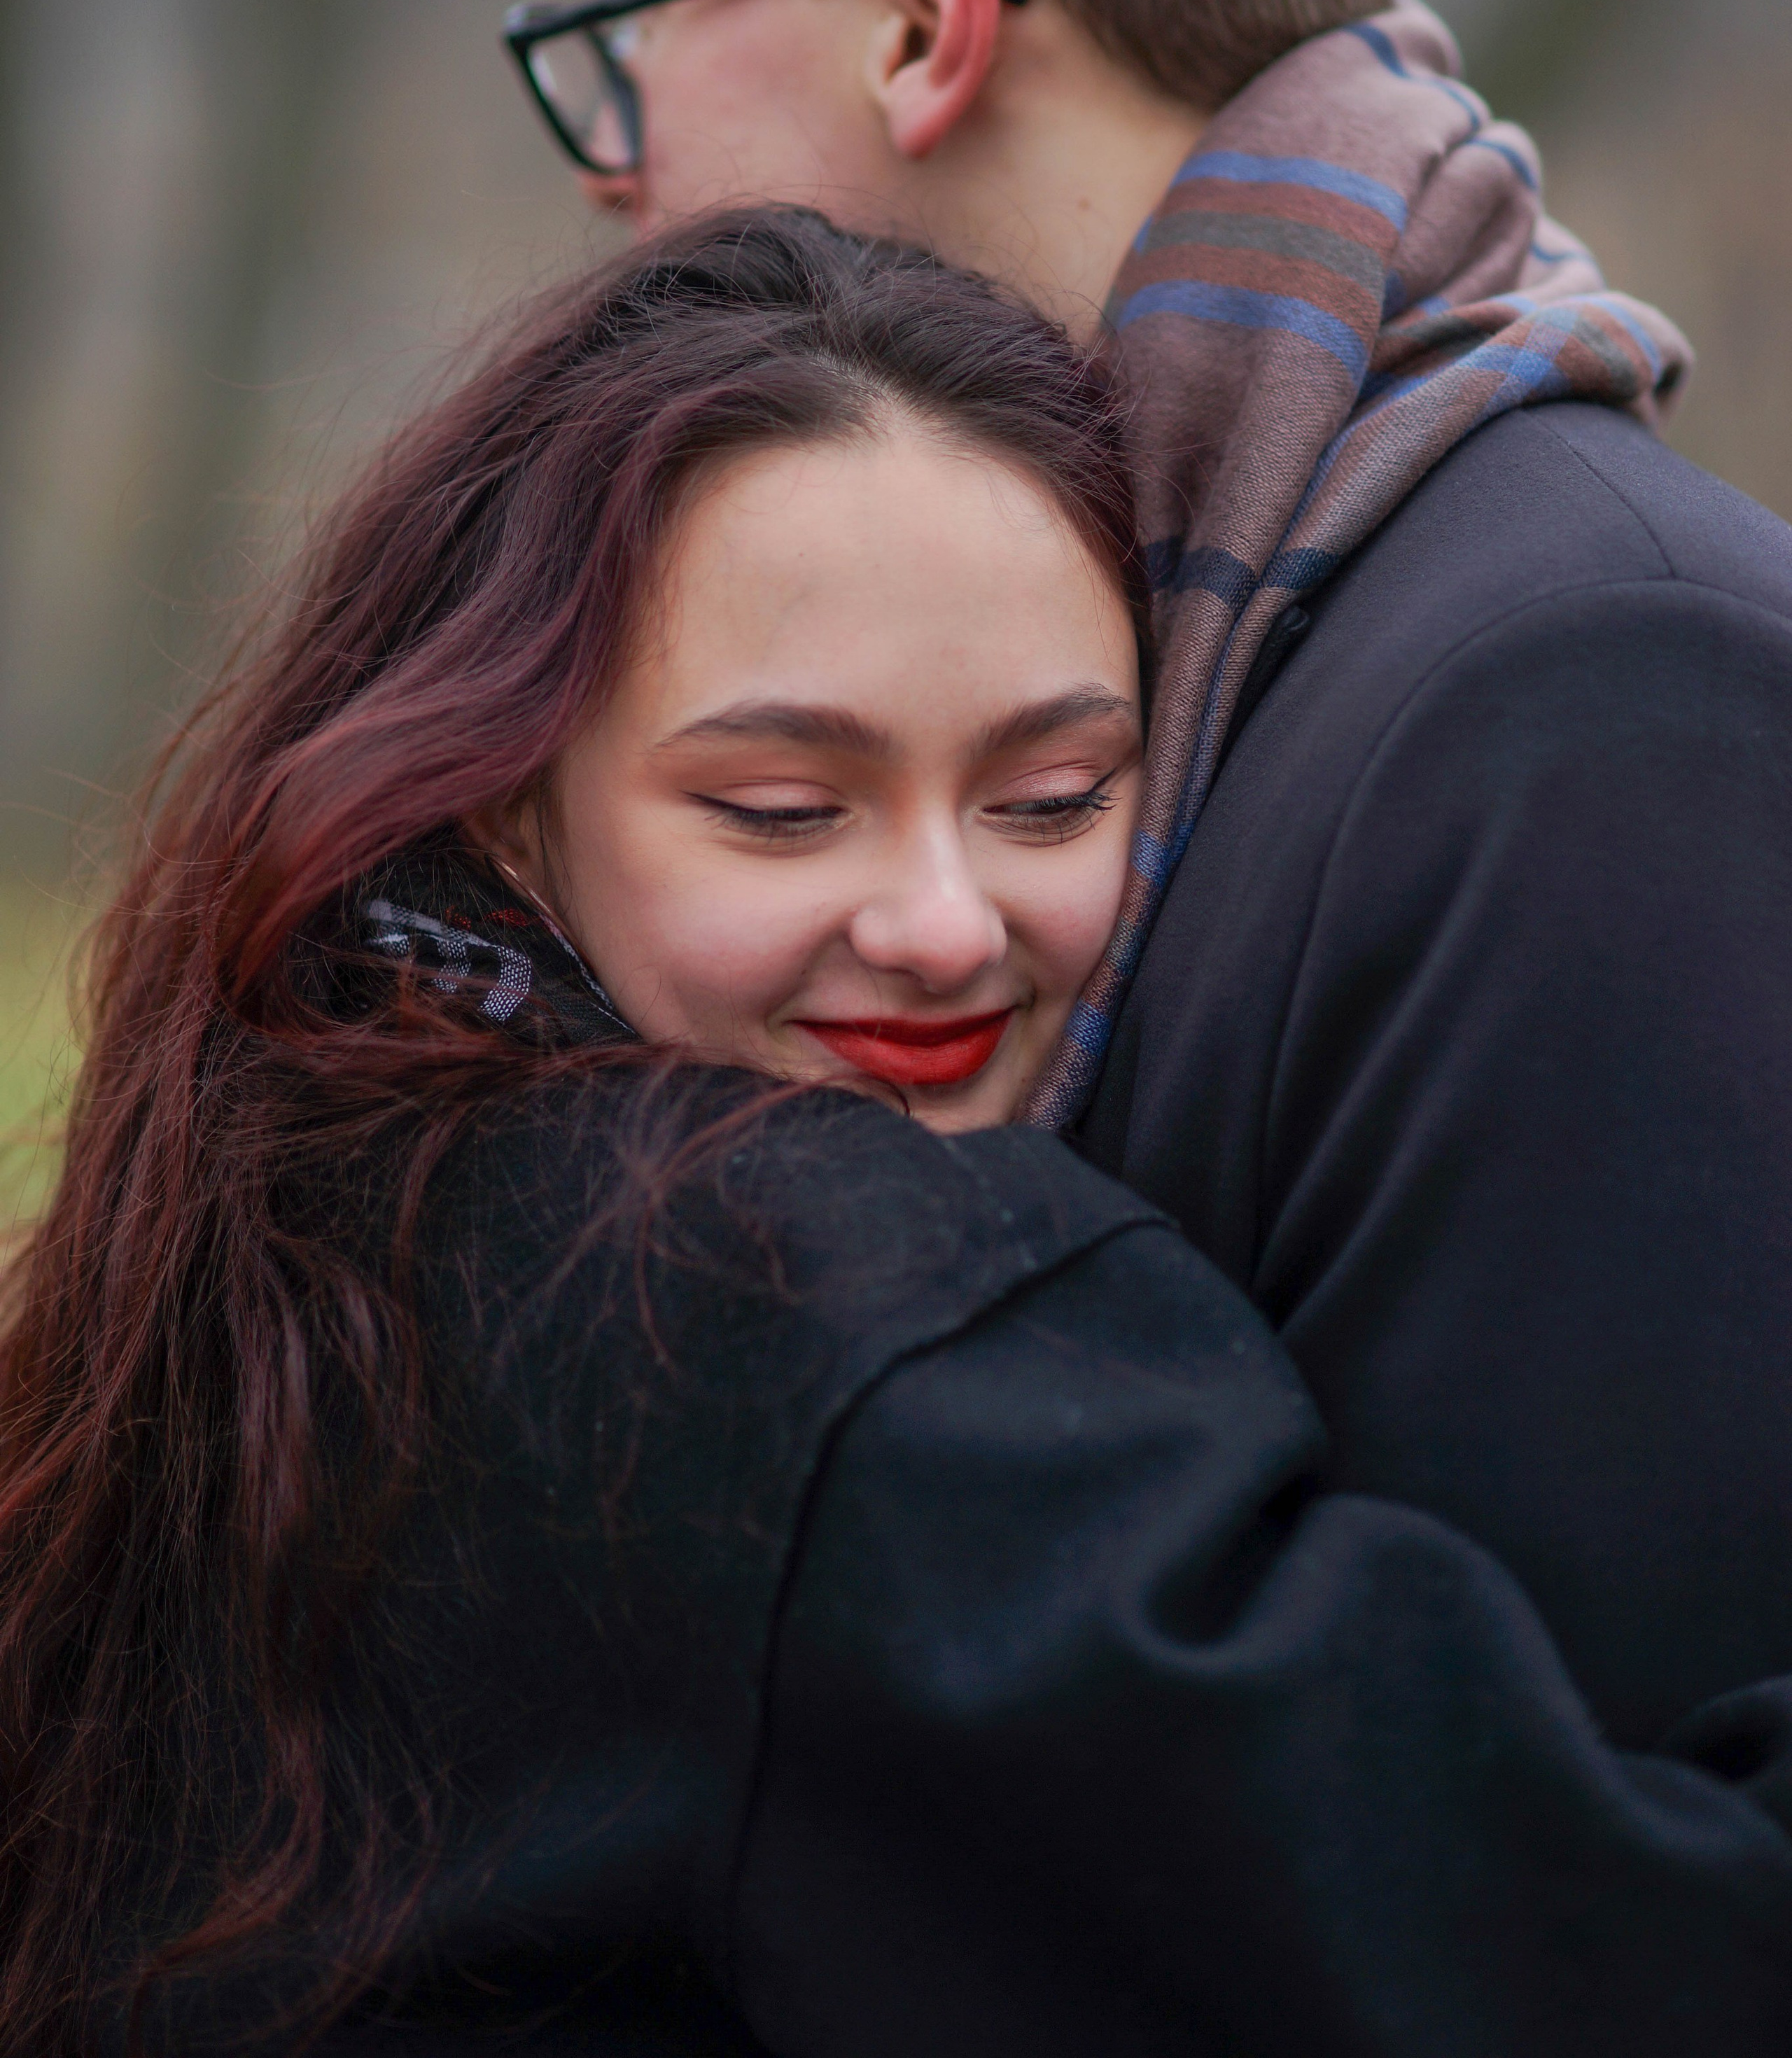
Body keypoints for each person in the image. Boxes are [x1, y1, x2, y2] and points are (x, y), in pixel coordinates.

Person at [6, 210, 1792, 2058]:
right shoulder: (788, 1310)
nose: (942, 924)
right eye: (783, 809)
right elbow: (1617, 1966)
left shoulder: (321, 1199)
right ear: (509, 806)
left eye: (1051, 795)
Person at [498, 0, 1792, 1755]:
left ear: (919, 12)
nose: (613, 160)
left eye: (634, 23)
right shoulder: (1222, 626)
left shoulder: (1598, 694)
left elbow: (1569, 1864)